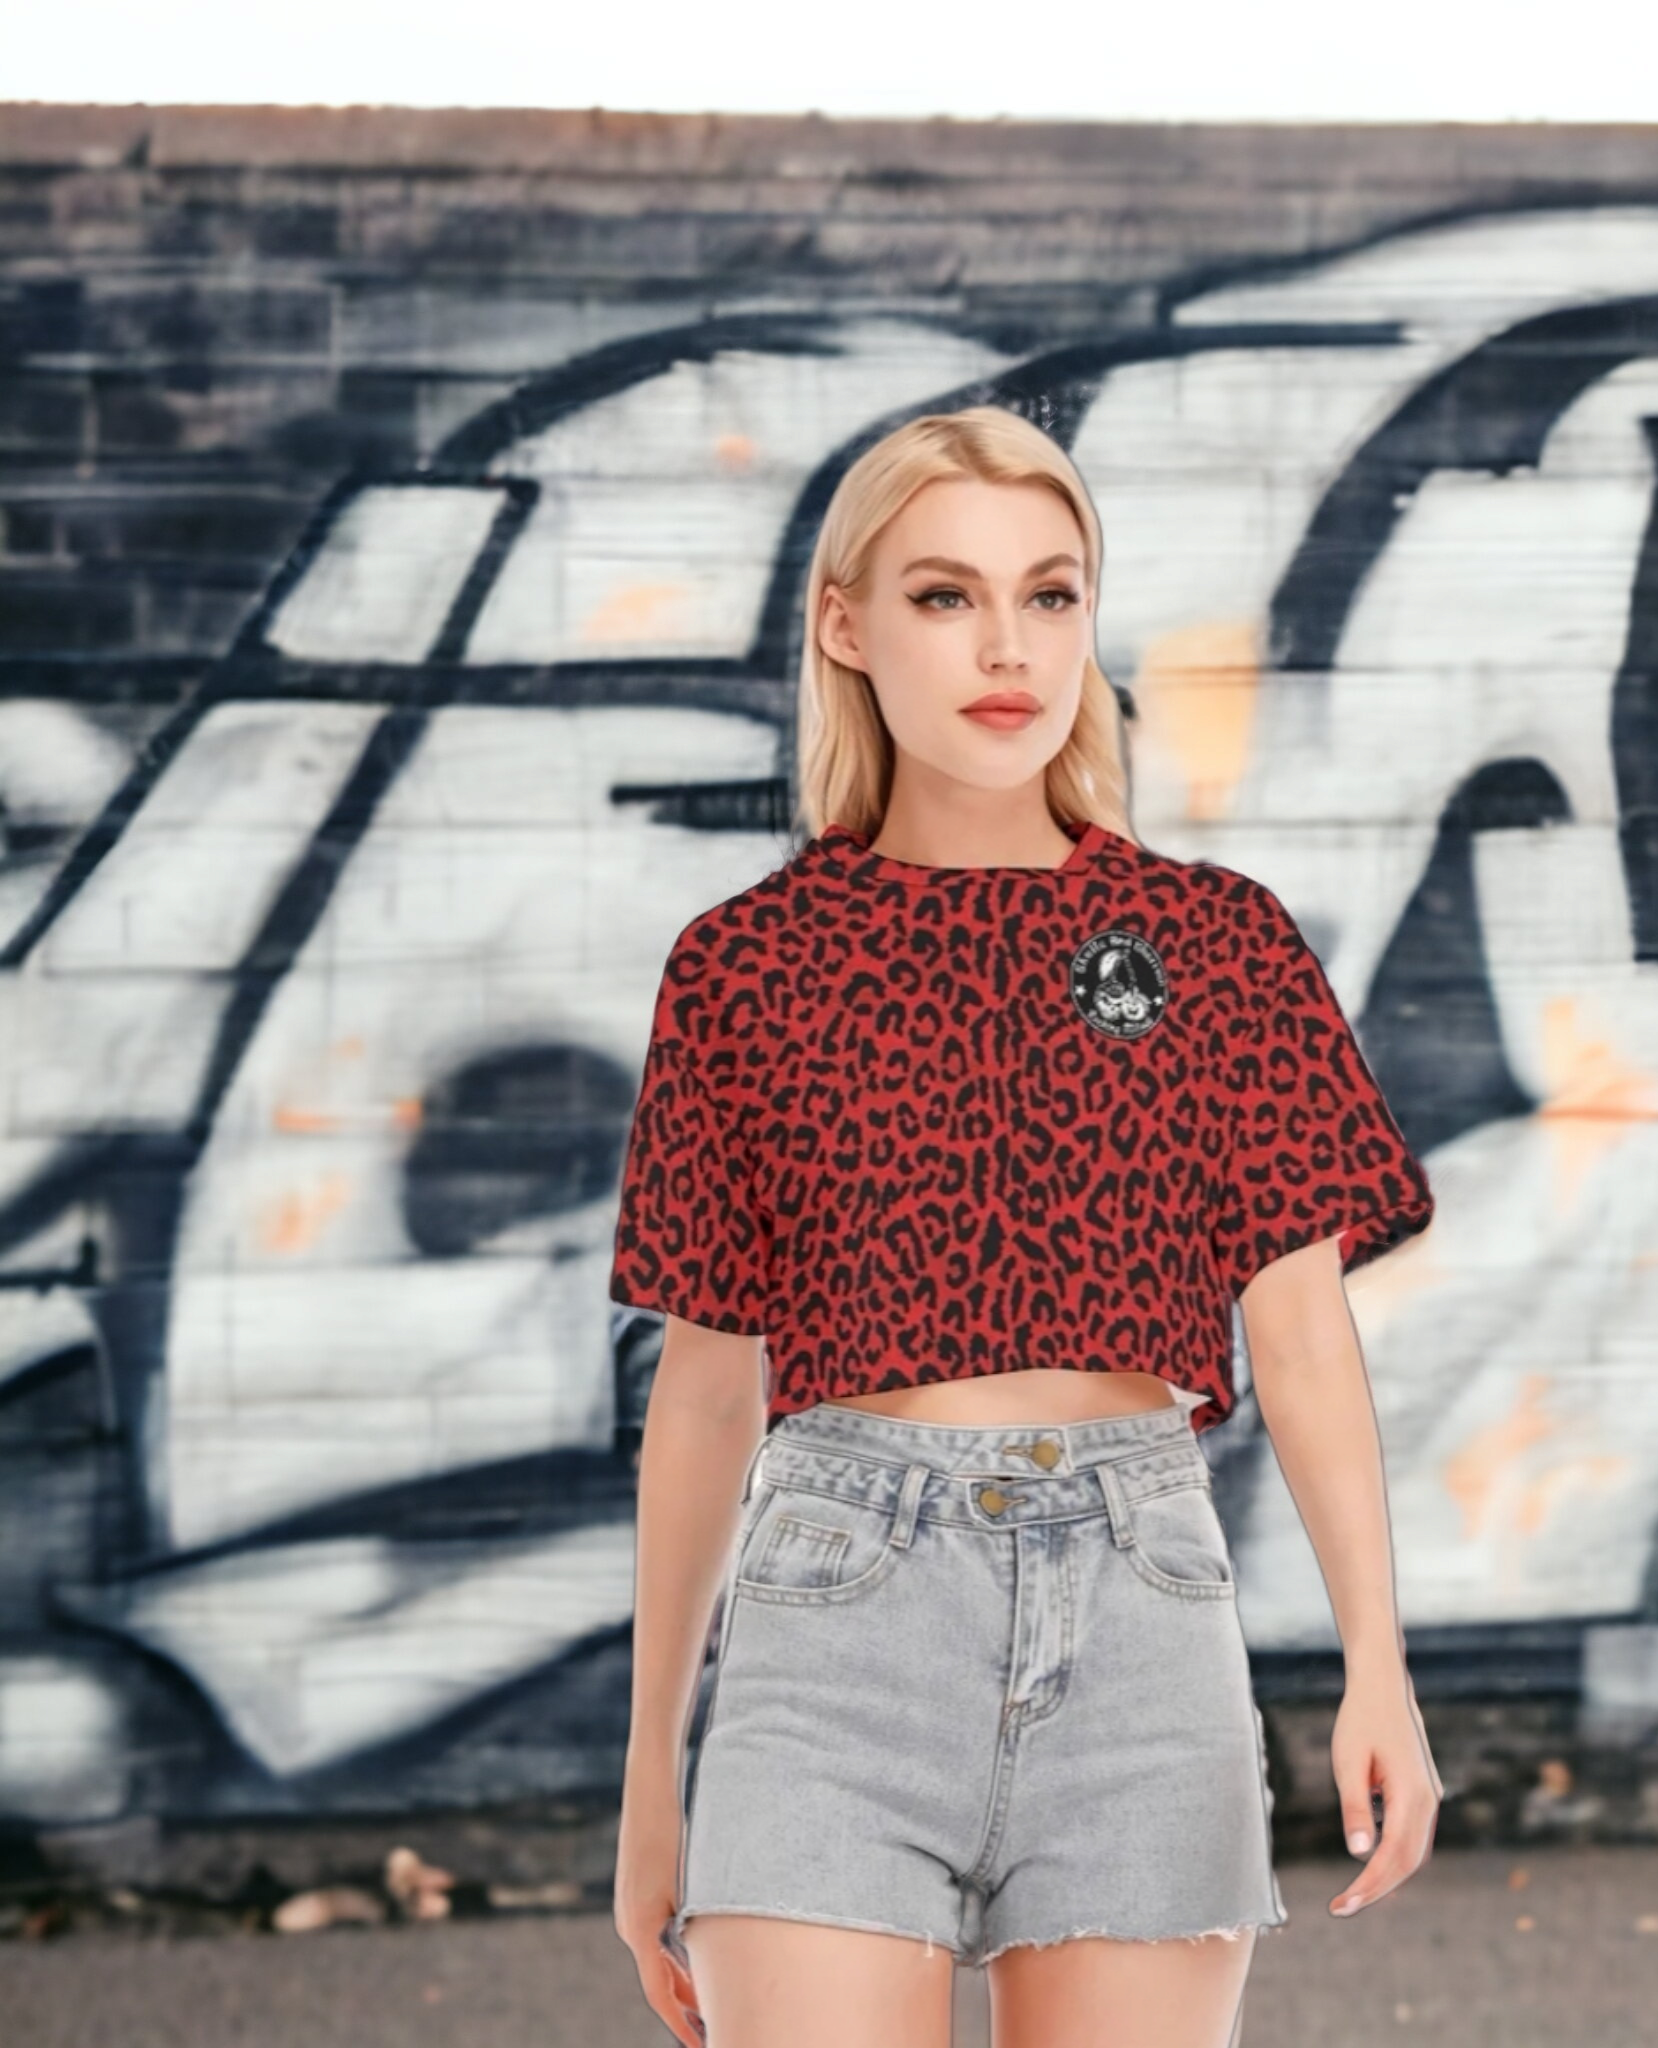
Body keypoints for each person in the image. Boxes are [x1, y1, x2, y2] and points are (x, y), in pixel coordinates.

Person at [609, 407, 1443, 2048]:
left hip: (1145, 1628)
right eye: (945, 597)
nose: (1009, 646)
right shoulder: (746, 965)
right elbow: (707, 1391)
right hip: (834, 1633)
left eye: (1050, 595)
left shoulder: (1217, 943)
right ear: (846, 627)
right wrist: (651, 1780)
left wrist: (1378, 1665)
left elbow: (1298, 1331)